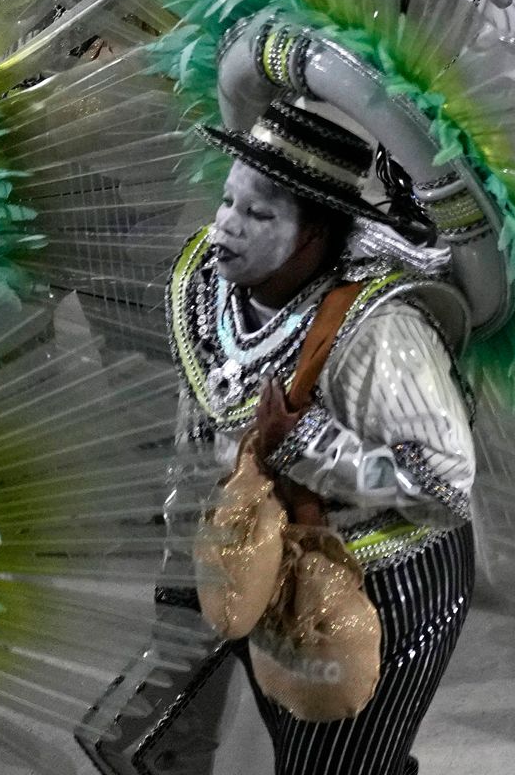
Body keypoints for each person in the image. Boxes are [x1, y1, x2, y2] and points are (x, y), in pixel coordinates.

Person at [151, 94, 477, 775]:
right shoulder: (202, 284)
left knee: (338, 765)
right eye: (228, 201)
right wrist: (186, 571)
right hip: (259, 555)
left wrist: (310, 448)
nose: (226, 227)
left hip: (385, 578)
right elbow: (196, 429)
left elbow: (446, 487)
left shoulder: (381, 333)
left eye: (257, 214)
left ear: (314, 236)